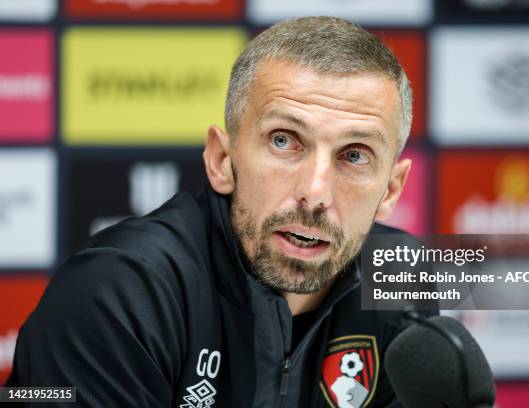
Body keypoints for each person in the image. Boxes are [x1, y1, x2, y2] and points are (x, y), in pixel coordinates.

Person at [7, 16, 437, 407]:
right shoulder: (114, 293)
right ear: (221, 160)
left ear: (391, 189)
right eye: (284, 141)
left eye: (355, 155)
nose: (315, 192)